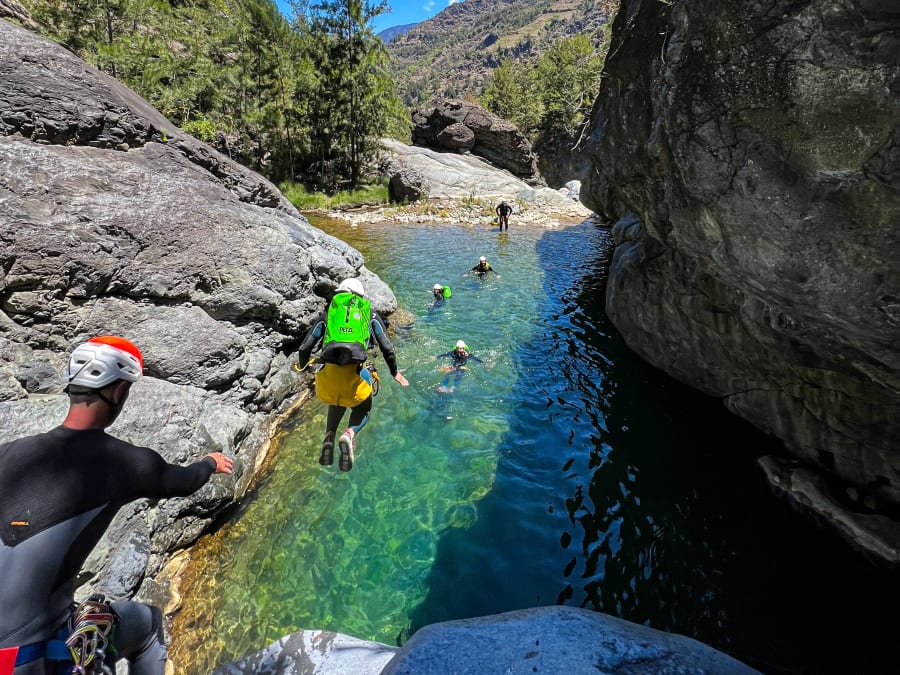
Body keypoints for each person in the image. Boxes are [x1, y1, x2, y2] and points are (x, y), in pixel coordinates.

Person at [0, 336, 233, 675]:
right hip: (32, 658)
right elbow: (183, 482)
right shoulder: (125, 464)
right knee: (150, 625)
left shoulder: (8, 453)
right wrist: (210, 463)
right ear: (117, 392)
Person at [295, 278, 409, 471]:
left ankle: (329, 436)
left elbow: (305, 348)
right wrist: (394, 372)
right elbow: (387, 348)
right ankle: (349, 434)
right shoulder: (369, 314)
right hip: (356, 377)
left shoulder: (330, 313)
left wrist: (303, 366)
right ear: (361, 296)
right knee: (363, 408)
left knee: (336, 401)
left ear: (340, 292)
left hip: (328, 380)